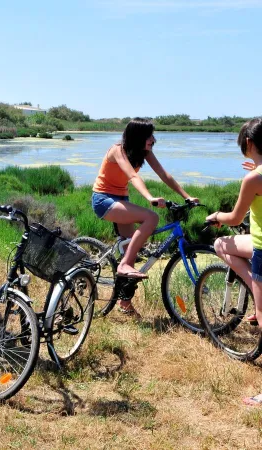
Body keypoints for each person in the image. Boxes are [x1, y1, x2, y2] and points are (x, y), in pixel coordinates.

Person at [91, 118, 198, 318]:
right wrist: (149, 198)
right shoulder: (118, 150)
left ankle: (124, 300)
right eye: (148, 135)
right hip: (103, 199)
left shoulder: (144, 152)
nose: (152, 139)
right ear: (137, 136)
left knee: (131, 247)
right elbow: (132, 176)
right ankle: (124, 265)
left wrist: (187, 196)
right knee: (151, 218)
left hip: (121, 198)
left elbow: (165, 175)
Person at [202, 118, 262, 407]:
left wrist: (216, 216)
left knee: (219, 243)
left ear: (249, 143)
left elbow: (236, 219)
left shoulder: (253, 179)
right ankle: (254, 285)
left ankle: (253, 286)